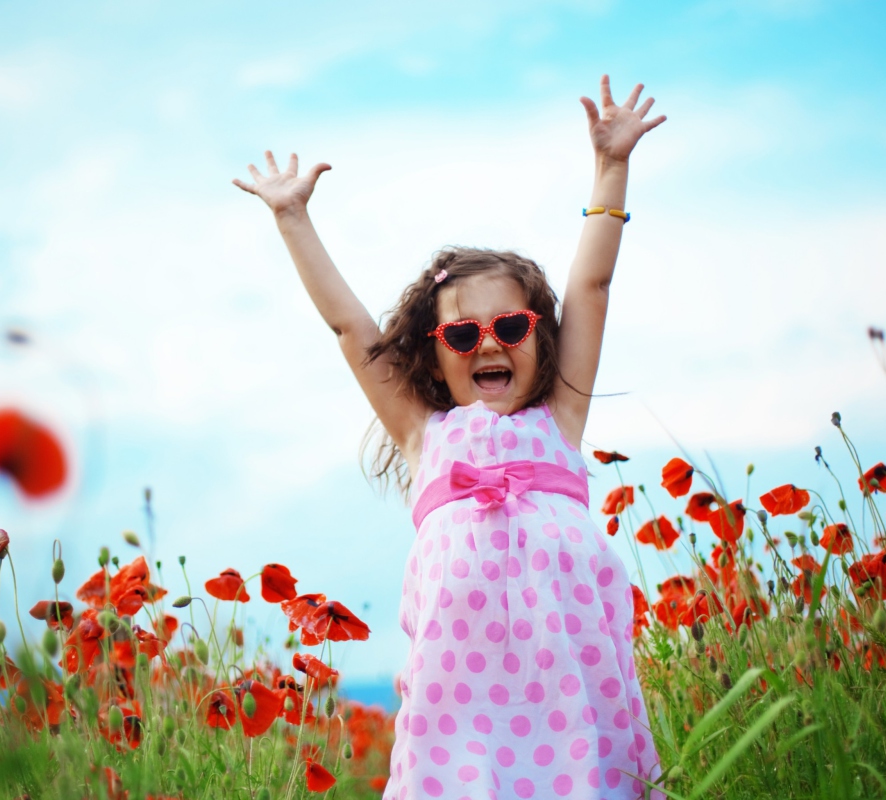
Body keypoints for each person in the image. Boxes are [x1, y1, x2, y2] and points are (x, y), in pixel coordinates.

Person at [234, 74, 666, 800]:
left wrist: (611, 168)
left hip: (570, 704)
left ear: (540, 336)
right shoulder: (424, 434)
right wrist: (292, 218)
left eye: (511, 327)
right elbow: (350, 327)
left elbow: (590, 287)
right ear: (434, 351)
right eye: (463, 332)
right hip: (460, 720)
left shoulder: (560, 419)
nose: (488, 344)